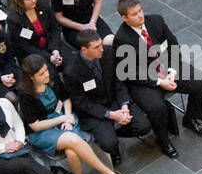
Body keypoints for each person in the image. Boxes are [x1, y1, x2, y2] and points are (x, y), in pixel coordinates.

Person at [16, 54, 124, 174]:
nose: (46, 74)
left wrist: (66, 118)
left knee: (72, 152)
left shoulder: (52, 78)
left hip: (63, 118)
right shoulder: (25, 94)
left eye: (46, 70)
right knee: (73, 140)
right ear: (31, 77)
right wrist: (62, 118)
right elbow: (35, 125)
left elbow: (66, 99)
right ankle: (107, 172)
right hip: (43, 130)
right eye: (41, 74)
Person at [113, 0, 202, 143]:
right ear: (124, 18)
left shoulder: (156, 21)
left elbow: (173, 45)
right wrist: (159, 81)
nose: (140, 15)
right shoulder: (122, 39)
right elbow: (131, 72)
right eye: (134, 14)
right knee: (156, 108)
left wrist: (172, 71)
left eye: (140, 10)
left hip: (165, 67)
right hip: (145, 81)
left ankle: (190, 118)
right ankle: (164, 141)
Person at [60, 31, 153, 166]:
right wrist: (111, 115)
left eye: (101, 45)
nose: (102, 49)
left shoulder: (108, 53)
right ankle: (113, 146)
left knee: (144, 126)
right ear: (84, 49)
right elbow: (82, 103)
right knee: (109, 144)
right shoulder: (72, 72)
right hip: (94, 109)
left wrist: (124, 106)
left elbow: (118, 82)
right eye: (96, 47)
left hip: (114, 99)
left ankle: (116, 133)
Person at [5, 0, 69, 82]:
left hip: (50, 46)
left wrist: (55, 50)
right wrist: (49, 57)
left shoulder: (42, 4)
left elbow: (55, 28)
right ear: (19, 0)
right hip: (31, 54)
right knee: (51, 76)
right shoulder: (14, 19)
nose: (34, 0)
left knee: (72, 65)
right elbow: (24, 46)